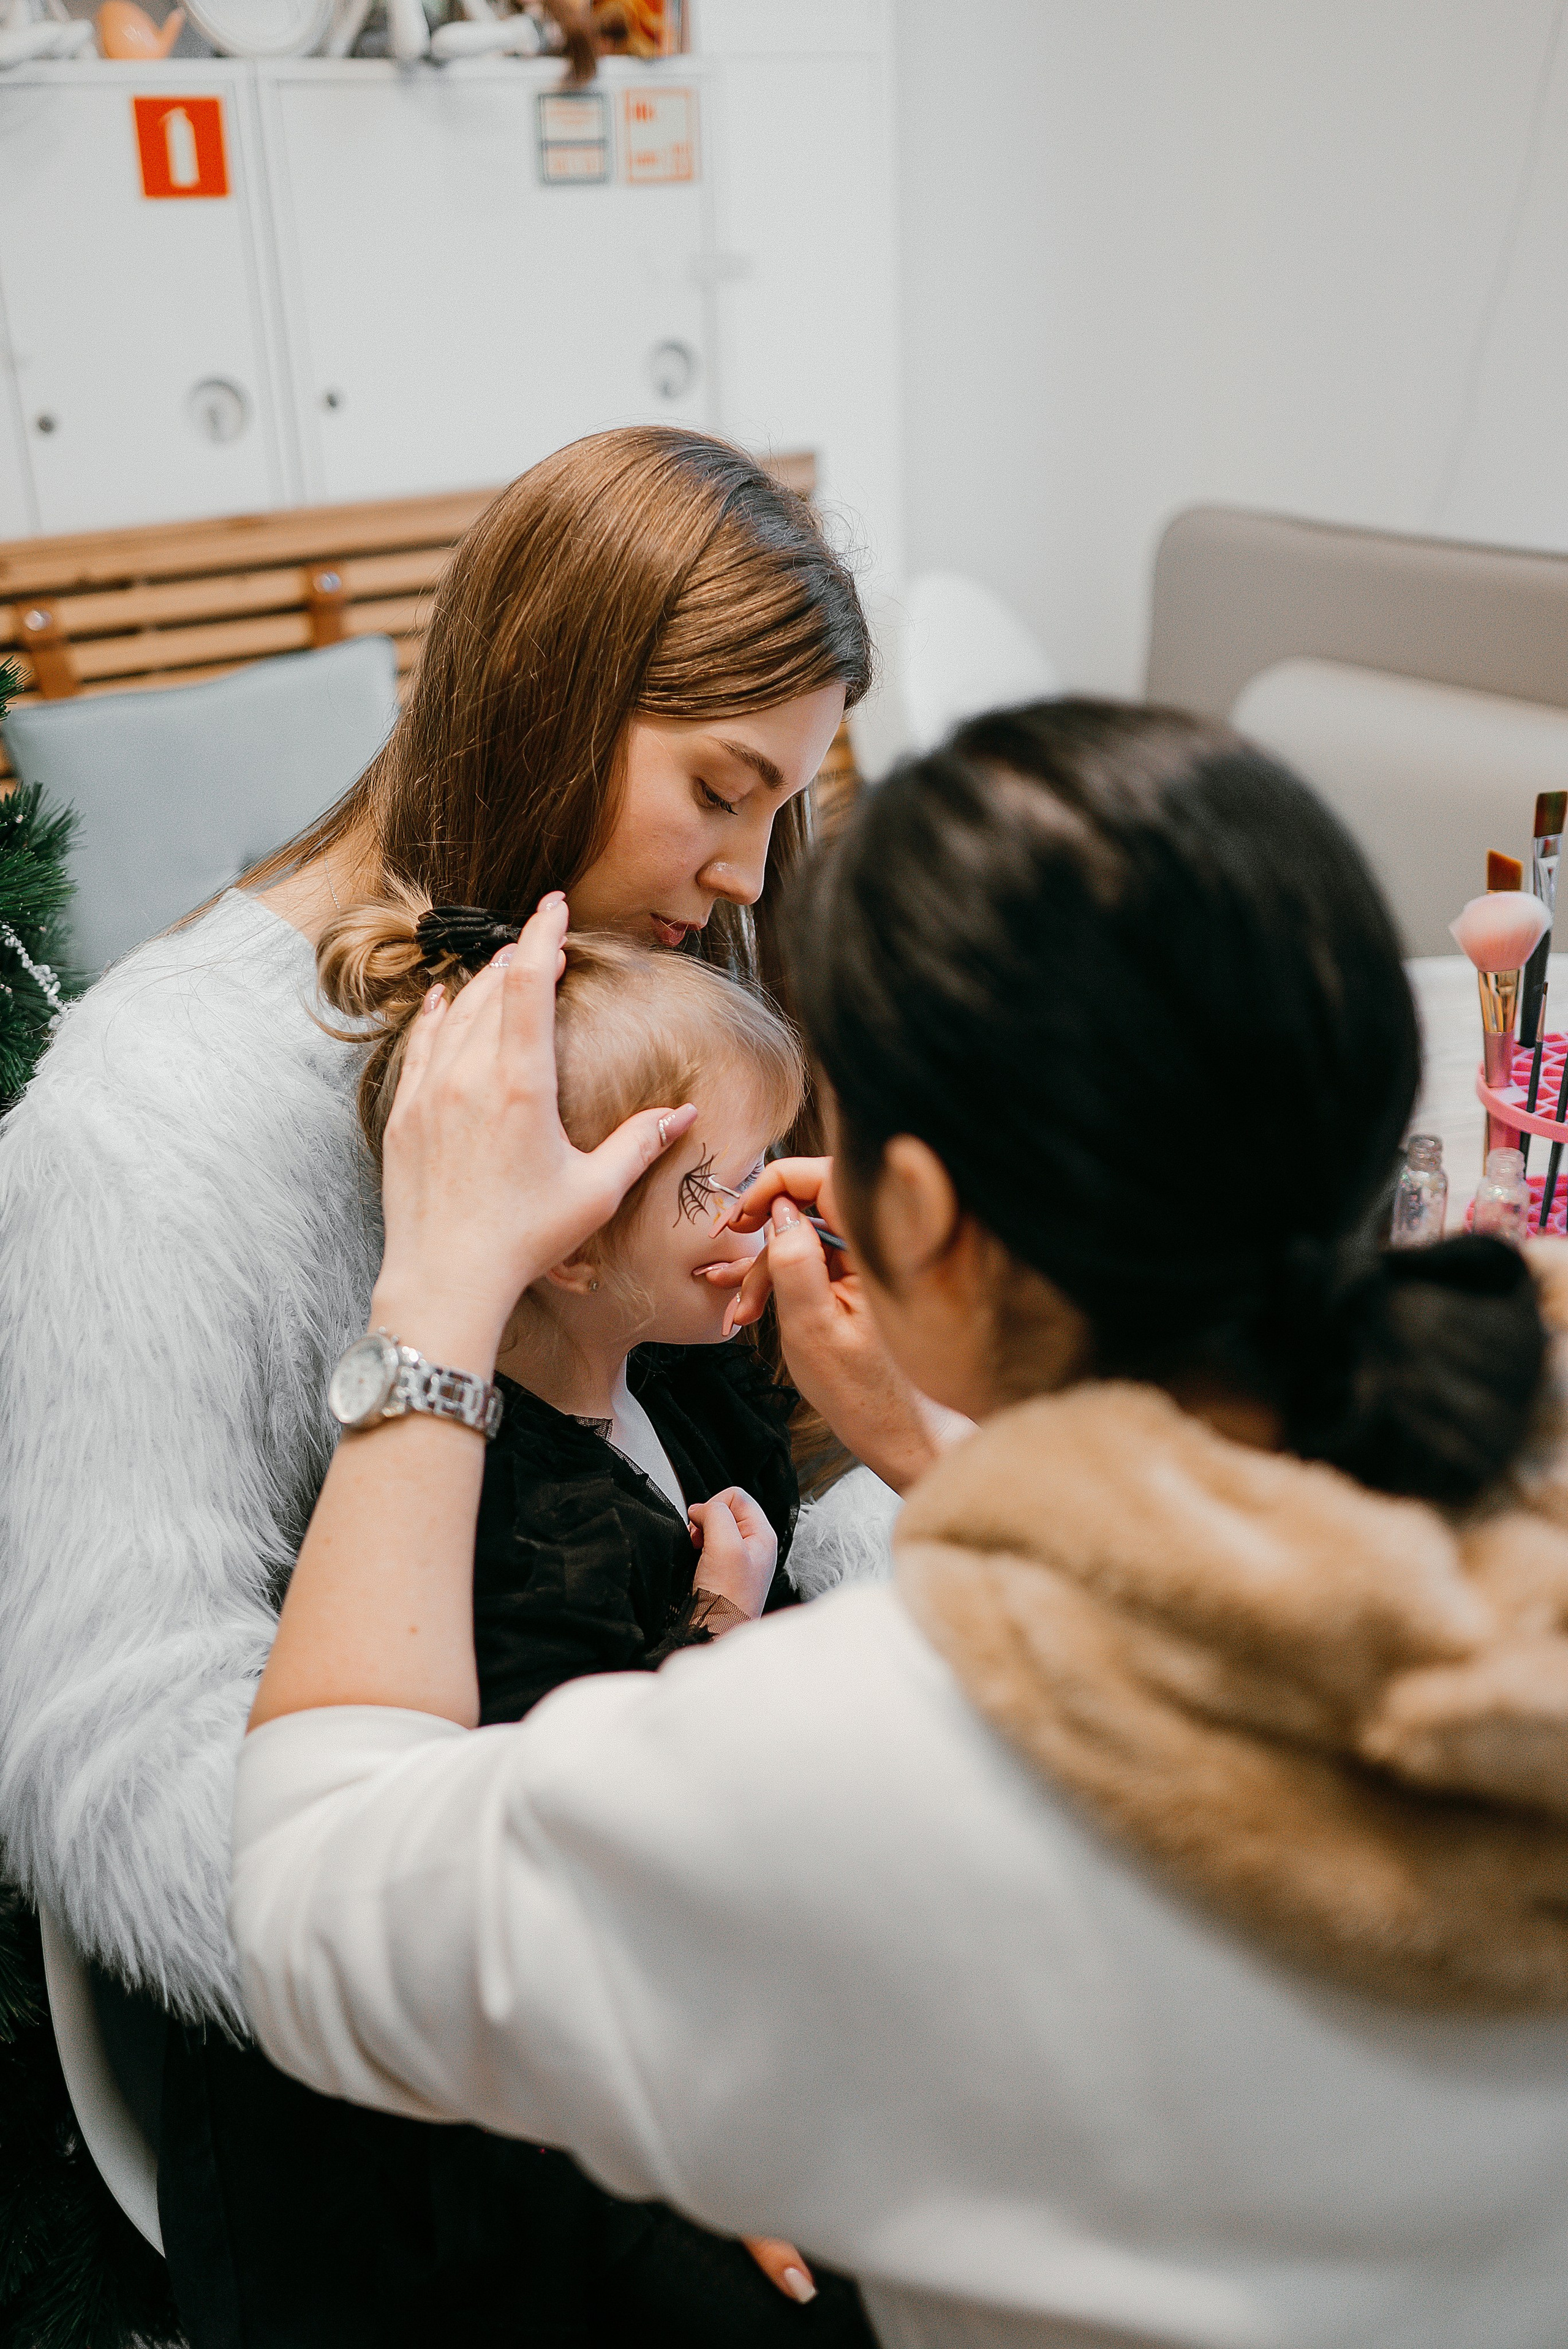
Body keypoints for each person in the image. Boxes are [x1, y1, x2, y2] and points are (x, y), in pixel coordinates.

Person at [234, 701, 1568, 2349]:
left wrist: (437, 1283)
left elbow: (309, 1906)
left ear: (921, 1214)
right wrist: (955, 1460)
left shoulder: (865, 1745)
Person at [0, 424, 913, 2338]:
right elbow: (103, 1755)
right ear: (556, 701)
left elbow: (744, 1450)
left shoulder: (619, 974)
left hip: (642, 1839)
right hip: (406, 2044)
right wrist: (575, 1977)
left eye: (785, 804)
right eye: (721, 792)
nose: (748, 872)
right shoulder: (147, 1121)